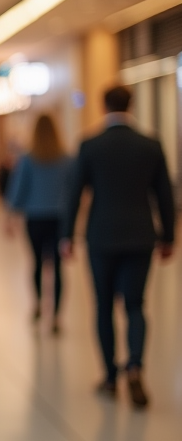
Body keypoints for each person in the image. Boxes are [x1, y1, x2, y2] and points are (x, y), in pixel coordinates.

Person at [61, 86, 175, 408]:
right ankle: (136, 365)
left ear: (103, 106)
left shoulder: (90, 145)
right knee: (136, 305)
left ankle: (110, 376)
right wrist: (169, 237)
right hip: (141, 235)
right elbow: (163, 195)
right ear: (131, 105)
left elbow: (74, 194)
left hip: (101, 236)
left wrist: (67, 235)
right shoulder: (150, 145)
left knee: (103, 305)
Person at [4, 114, 72, 333]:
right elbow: (73, 190)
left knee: (37, 263)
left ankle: (38, 305)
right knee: (58, 267)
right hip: (59, 218)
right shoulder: (66, 158)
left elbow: (18, 189)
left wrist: (10, 217)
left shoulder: (28, 158)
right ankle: (57, 316)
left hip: (35, 218)